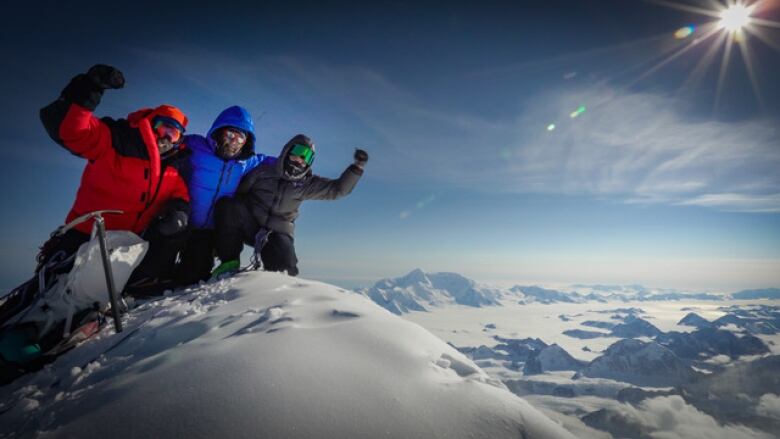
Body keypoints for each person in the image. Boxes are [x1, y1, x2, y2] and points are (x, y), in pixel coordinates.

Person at [39, 64, 192, 295]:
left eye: (174, 134)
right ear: (150, 124)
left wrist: (179, 211)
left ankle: (143, 283)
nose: (166, 138)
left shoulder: (171, 169)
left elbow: (180, 194)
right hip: (85, 238)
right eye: (163, 129)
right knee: (49, 297)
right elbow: (72, 131)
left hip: (127, 247)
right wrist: (89, 89)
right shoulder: (116, 138)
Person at [212, 134, 367, 277]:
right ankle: (229, 263)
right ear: (287, 151)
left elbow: (337, 190)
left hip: (277, 233)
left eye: (306, 156)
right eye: (298, 152)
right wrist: (219, 236)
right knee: (228, 205)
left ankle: (279, 290)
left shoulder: (306, 184)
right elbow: (239, 192)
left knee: (284, 269)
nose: (300, 159)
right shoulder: (263, 169)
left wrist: (357, 167)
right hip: (250, 225)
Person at [174, 106, 271, 286]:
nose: (234, 141)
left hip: (206, 232)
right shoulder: (196, 146)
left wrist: (299, 163)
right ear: (219, 131)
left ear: (246, 141)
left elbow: (269, 161)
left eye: (241, 137)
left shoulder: (245, 162)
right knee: (157, 269)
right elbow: (167, 139)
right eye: (230, 134)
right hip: (181, 221)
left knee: (190, 278)